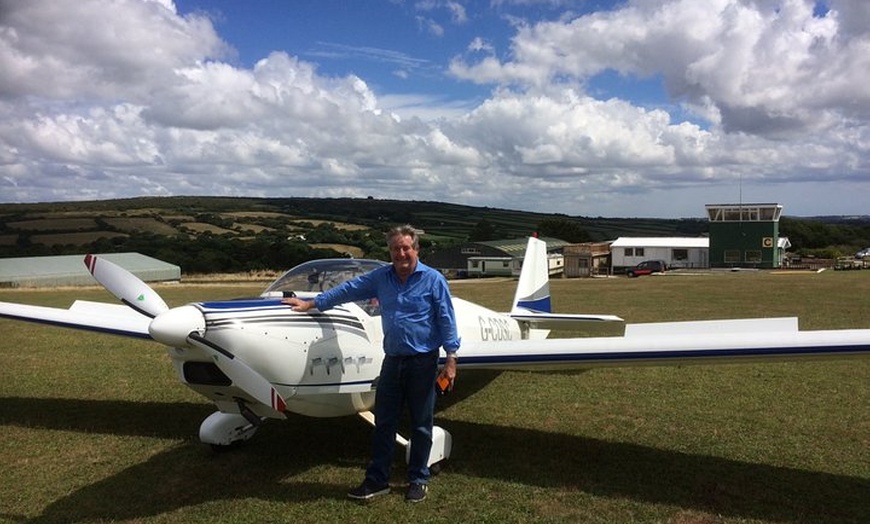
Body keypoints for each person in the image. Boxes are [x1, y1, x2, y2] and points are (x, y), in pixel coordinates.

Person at [283, 225, 460, 503]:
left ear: (416, 249)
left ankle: (418, 479)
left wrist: (451, 359)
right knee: (384, 422)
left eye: (406, 248)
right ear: (390, 252)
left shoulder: (434, 280)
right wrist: (312, 304)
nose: (401, 253)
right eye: (395, 249)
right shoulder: (381, 277)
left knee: (421, 424)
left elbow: (447, 320)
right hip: (392, 361)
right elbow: (348, 290)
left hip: (423, 362)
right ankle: (377, 480)